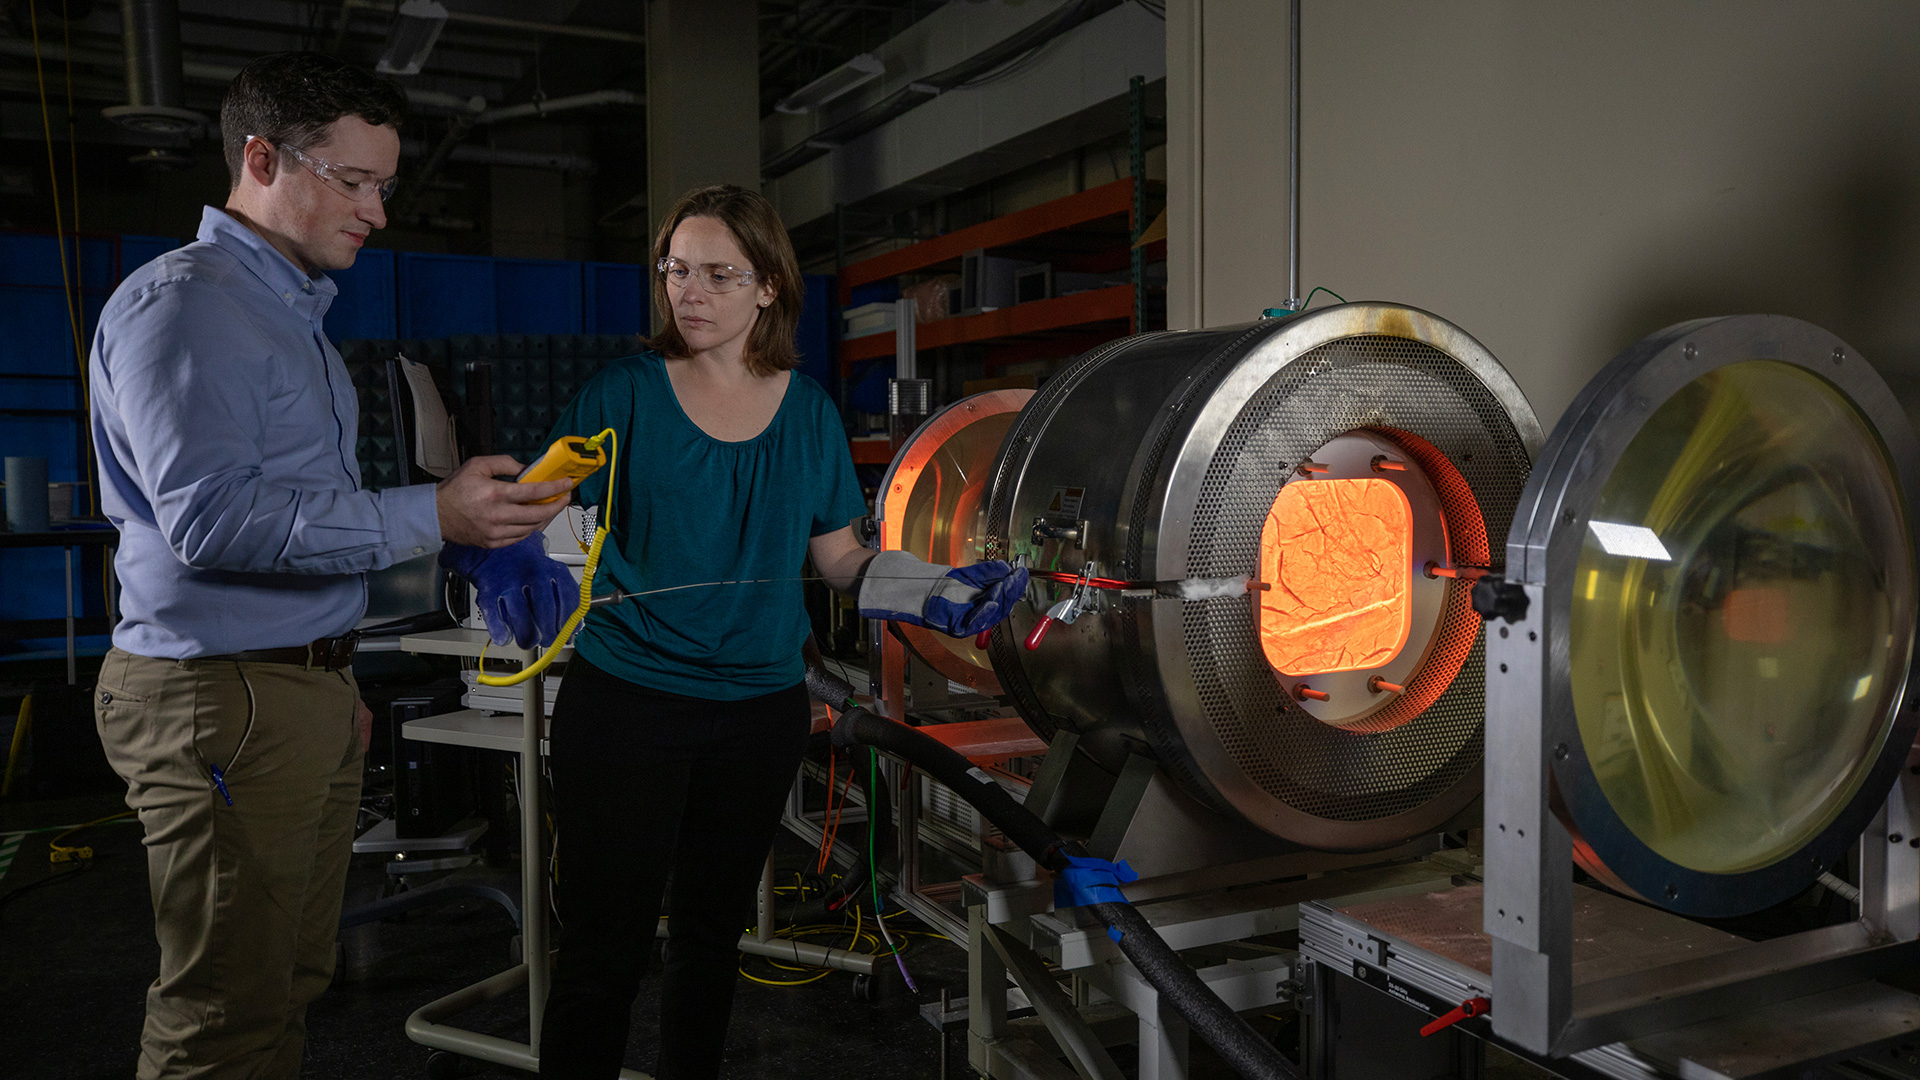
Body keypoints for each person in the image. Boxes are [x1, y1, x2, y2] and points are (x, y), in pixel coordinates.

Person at [438, 185, 1025, 1080]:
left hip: (758, 712)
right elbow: (529, 507)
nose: (690, 292)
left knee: (712, 943)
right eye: (676, 270)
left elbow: (838, 560)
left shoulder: (811, 414)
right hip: (629, 705)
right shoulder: (624, 393)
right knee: (604, 951)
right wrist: (504, 553)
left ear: (768, 288)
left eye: (718, 273)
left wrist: (932, 588)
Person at [88, 52, 575, 1079]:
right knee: (222, 1011)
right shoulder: (191, 307)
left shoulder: (284, 313)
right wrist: (432, 512)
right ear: (262, 158)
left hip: (286, 683)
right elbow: (215, 524)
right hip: (219, 698)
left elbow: (299, 514)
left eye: (385, 186)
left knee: (286, 985)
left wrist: (331, 669)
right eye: (353, 181)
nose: (377, 212)